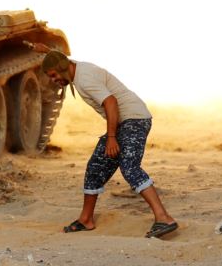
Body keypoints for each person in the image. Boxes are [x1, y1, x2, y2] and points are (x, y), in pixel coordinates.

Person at [36, 46, 178, 238]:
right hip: (123, 122)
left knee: (129, 167)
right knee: (95, 168)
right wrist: (47, 51)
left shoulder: (84, 80)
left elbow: (110, 102)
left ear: (62, 68)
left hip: (134, 119)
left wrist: (111, 137)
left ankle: (164, 218)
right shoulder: (74, 68)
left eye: (53, 75)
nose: (54, 80)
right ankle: (86, 220)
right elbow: (61, 59)